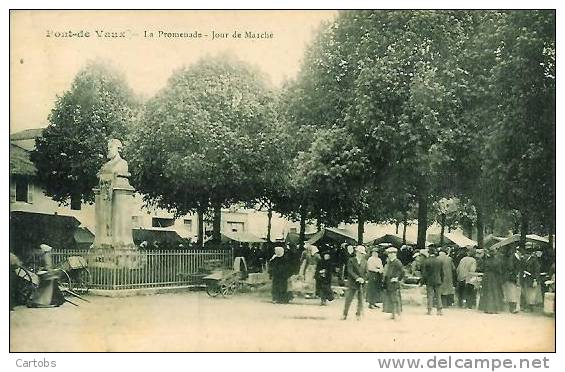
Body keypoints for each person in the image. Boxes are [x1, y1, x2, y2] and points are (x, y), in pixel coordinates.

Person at [342, 245, 368, 320]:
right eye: (360, 253)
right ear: (356, 252)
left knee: (360, 299)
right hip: (352, 282)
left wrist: (363, 279)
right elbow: (350, 271)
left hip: (361, 283)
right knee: (348, 299)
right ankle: (345, 314)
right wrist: (357, 278)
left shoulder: (365, 262)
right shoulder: (351, 260)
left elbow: (367, 272)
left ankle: (358, 314)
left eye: (362, 254)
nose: (361, 255)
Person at [478, 248, 504, 314]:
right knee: (495, 292)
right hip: (495, 277)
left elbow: (482, 268)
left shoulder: (486, 261)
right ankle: (495, 309)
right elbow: (499, 270)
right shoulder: (498, 261)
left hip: (487, 277)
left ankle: (487, 308)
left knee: (487, 291)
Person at [383, 247, 404, 320]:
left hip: (394, 283)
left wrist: (397, 278)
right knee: (391, 298)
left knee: (394, 298)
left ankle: (396, 314)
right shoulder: (390, 262)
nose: (389, 255)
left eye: (390, 253)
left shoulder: (397, 262)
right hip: (389, 283)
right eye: (388, 253)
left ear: (394, 254)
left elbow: (402, 272)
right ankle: (393, 314)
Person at [421, 247, 444, 315]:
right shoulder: (439, 261)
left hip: (429, 281)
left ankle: (429, 310)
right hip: (438, 280)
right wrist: (441, 280)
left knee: (430, 295)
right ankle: (439, 310)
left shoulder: (426, 261)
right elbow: (442, 272)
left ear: (429, 253)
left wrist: (422, 281)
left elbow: (425, 273)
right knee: (438, 296)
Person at [501, 246, 522, 313]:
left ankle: (512, 308)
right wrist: (515, 272)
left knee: (511, 292)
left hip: (509, 277)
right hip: (511, 277)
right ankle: (512, 308)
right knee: (512, 293)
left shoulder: (510, 257)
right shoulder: (513, 258)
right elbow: (511, 267)